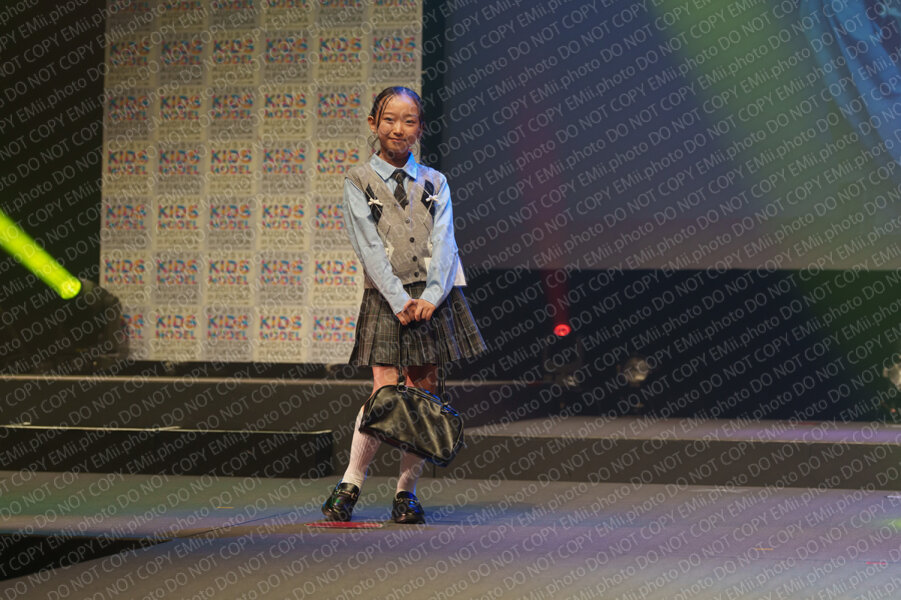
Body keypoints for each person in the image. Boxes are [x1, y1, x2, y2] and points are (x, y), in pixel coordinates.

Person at [321, 86, 486, 524]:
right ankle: (351, 482)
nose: (398, 128)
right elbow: (367, 245)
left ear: (420, 129)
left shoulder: (436, 181)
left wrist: (431, 296)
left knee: (423, 392)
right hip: (386, 295)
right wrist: (398, 299)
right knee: (385, 392)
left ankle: (405, 493)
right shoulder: (358, 179)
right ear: (374, 124)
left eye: (409, 120)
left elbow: (446, 241)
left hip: (433, 296)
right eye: (389, 119)